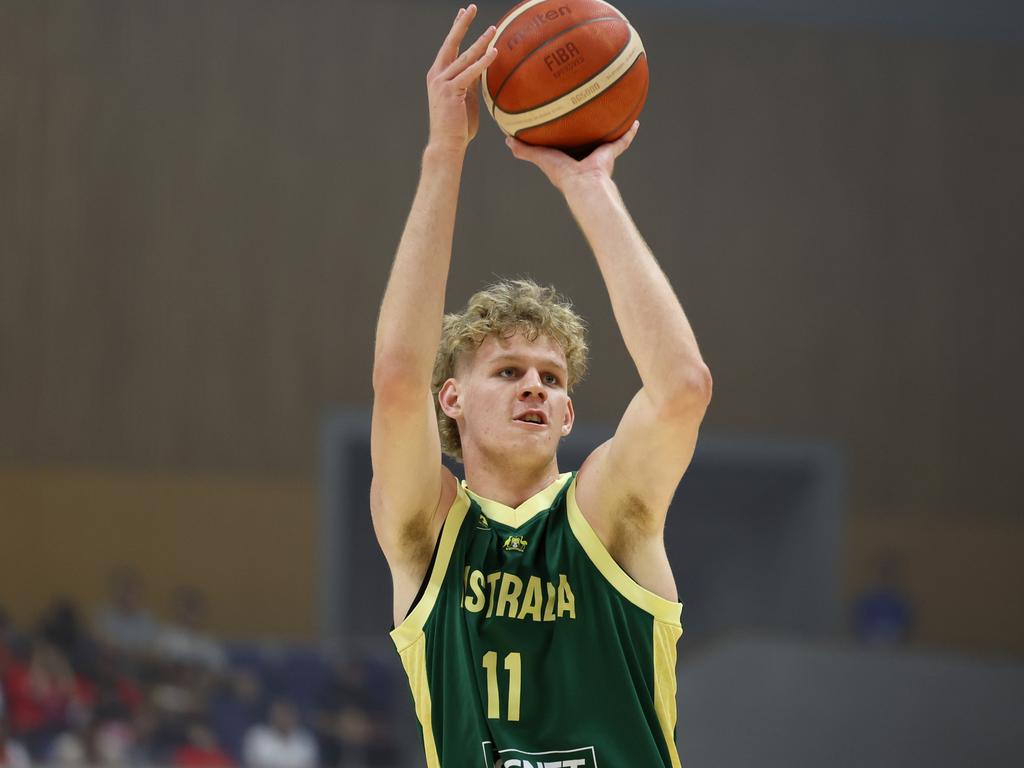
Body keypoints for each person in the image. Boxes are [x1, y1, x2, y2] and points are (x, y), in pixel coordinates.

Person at [371, 5, 712, 767]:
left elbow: (682, 387)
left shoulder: (606, 513)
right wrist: (443, 153)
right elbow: (397, 379)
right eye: (507, 371)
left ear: (567, 413)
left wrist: (591, 185)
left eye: (550, 378)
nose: (534, 388)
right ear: (450, 399)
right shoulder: (428, 529)